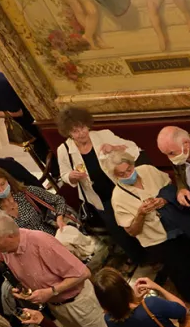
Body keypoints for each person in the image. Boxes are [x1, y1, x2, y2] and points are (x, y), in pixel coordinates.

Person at [0, 212, 124, 327]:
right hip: (58, 306)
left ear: (10, 236)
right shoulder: (4, 250)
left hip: (78, 302)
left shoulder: (41, 243)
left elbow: (83, 273)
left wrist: (51, 291)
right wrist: (22, 290)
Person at [108, 153, 190, 305]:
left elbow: (170, 185)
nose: (128, 175)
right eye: (122, 174)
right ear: (115, 176)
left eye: (129, 169)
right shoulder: (118, 198)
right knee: (178, 268)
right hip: (158, 239)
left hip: (178, 224)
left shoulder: (147, 170)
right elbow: (131, 231)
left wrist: (163, 199)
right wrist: (141, 214)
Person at [55, 106, 147, 263]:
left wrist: (115, 148)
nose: (81, 133)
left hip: (122, 190)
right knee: (119, 232)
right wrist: (72, 176)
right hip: (99, 199)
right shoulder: (63, 150)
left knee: (137, 223)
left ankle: (153, 254)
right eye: (75, 131)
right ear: (69, 133)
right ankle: (139, 260)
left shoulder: (104, 136)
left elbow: (134, 149)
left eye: (83, 127)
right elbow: (64, 176)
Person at [0, 165, 78, 236]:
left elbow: (58, 200)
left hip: (51, 237)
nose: (1, 190)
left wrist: (59, 218)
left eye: (2, 184)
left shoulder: (27, 192)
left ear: (7, 180)